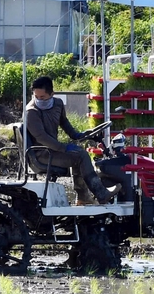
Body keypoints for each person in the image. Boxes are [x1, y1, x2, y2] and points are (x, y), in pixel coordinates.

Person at [26, 76, 121, 205]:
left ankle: (83, 197)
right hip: (42, 154)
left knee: (77, 154)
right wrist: (62, 147)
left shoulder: (58, 104)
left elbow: (64, 122)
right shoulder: (32, 112)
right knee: (81, 155)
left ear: (52, 94)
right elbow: (41, 137)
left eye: (42, 97)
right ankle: (101, 193)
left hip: (51, 150)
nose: (38, 100)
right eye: (36, 97)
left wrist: (77, 135)